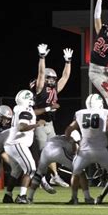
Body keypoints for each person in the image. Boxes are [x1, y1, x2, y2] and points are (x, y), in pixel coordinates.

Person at [64, 94, 108, 205]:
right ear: (100, 103)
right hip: (102, 150)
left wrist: (68, 140)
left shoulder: (80, 113)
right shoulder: (105, 112)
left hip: (84, 151)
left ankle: (74, 198)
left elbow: (69, 129)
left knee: (76, 173)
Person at [31, 43, 73, 188]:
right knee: (43, 152)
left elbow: (65, 77)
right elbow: (41, 74)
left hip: (50, 123)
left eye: (53, 79)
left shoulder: (54, 88)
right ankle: (40, 177)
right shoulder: (39, 88)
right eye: (50, 78)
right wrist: (42, 57)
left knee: (53, 150)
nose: (52, 81)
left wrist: (68, 62)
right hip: (39, 123)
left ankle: (55, 176)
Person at [2, 90, 45, 204]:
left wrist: (48, 109)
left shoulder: (19, 108)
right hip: (17, 143)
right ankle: (22, 196)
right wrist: (37, 124)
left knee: (15, 171)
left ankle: (8, 195)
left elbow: (33, 112)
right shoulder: (25, 110)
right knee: (31, 169)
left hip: (11, 143)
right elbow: (22, 127)